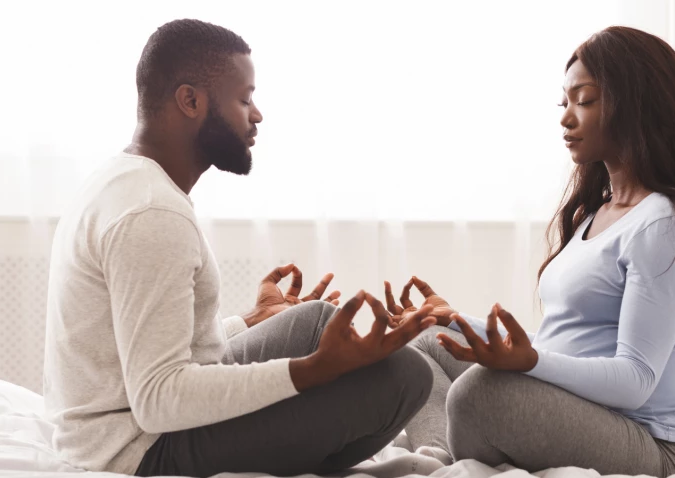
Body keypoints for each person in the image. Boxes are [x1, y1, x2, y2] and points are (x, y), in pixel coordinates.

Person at [43, 19, 436, 478]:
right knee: (406, 378)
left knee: (315, 321)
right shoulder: (151, 214)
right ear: (190, 101)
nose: (257, 114)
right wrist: (311, 370)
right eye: (244, 98)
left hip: (131, 419)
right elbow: (158, 400)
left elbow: (151, 348)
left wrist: (251, 321)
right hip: (137, 448)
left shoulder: (127, 180)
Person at [387, 26, 675, 478]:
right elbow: (566, 342)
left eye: (584, 100)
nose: (566, 118)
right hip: (587, 410)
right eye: (564, 103)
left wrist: (529, 361)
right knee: (424, 340)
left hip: (656, 441)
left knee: (478, 395)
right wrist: (453, 319)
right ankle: (437, 454)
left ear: (637, 104)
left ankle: (451, 445)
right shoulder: (600, 212)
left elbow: (634, 382)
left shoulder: (665, 221)